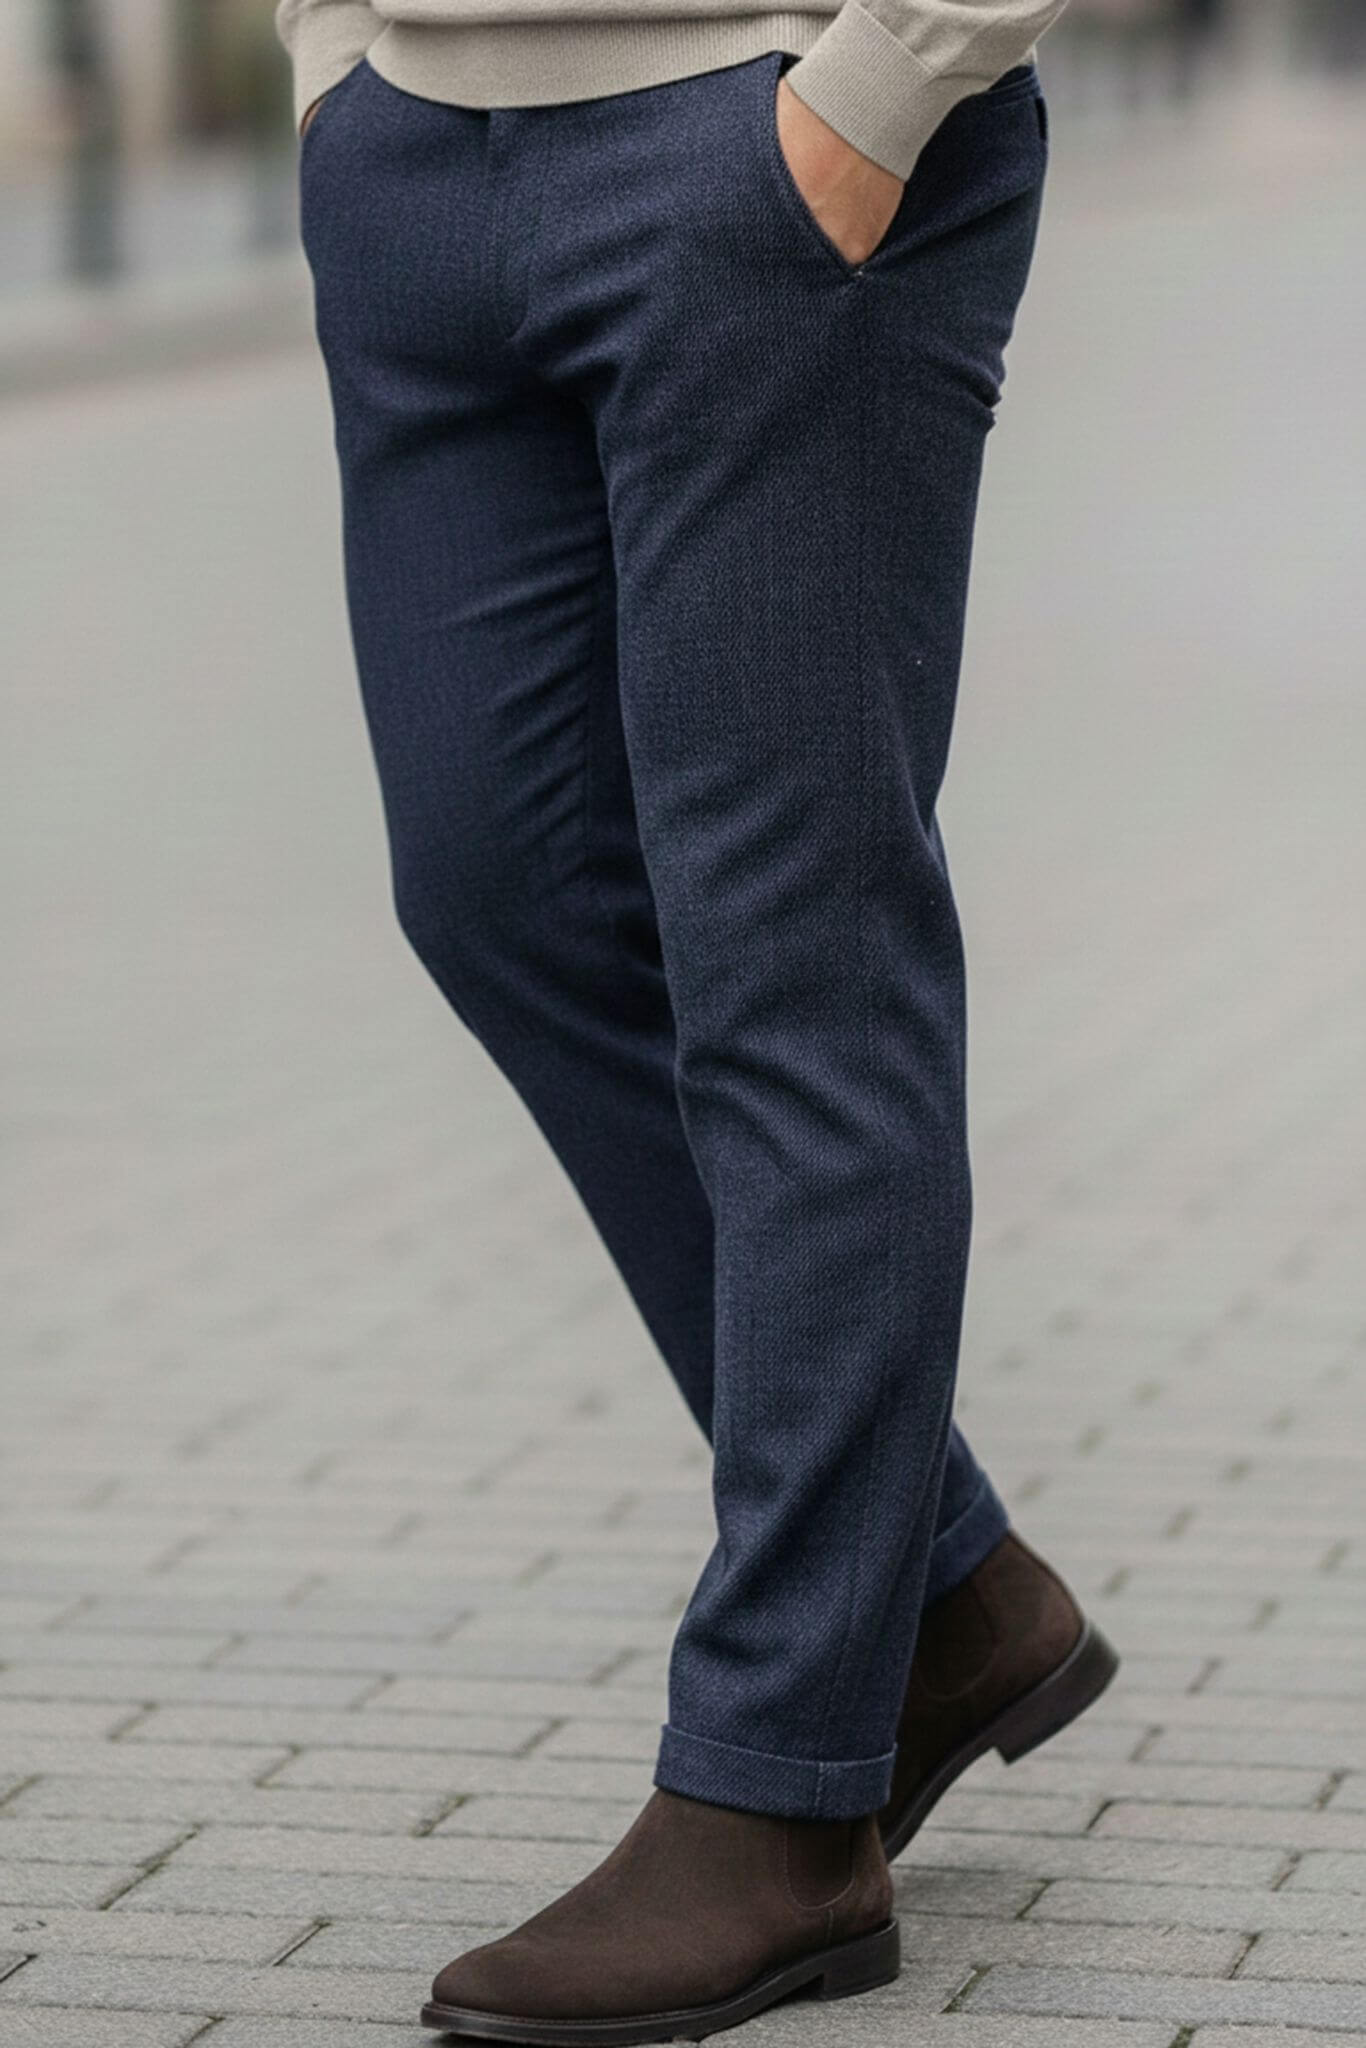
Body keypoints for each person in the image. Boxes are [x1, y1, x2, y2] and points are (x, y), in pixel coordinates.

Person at [274, 0, 1119, 2036]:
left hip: (771, 139)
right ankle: (935, 1591)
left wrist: (890, 83)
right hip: (407, 159)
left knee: (794, 961)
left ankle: (777, 1794)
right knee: (493, 890)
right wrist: (328, 62)